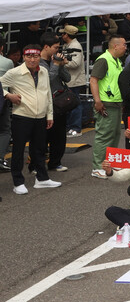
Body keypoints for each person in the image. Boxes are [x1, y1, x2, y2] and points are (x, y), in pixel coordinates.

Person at [1, 44, 59, 194]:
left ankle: (42, 178)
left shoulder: (44, 71)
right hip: (22, 116)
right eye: (28, 56)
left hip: (40, 116)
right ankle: (18, 182)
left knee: (39, 149)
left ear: (40, 57)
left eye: (35, 56)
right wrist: (8, 95)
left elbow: (48, 94)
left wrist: (49, 114)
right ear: (23, 57)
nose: (32, 59)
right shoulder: (15, 72)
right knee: (19, 150)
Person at [90, 34, 127, 179]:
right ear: (115, 46)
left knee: (114, 134)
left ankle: (110, 162)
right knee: (104, 135)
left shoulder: (116, 60)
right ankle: (98, 167)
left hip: (116, 102)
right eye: (123, 44)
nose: (125, 47)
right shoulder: (104, 60)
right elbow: (93, 80)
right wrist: (97, 101)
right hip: (105, 103)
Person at [40, 32, 72, 172]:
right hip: (44, 104)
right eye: (55, 47)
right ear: (46, 47)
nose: (57, 50)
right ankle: (37, 164)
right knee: (42, 136)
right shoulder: (38, 62)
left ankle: (55, 162)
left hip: (59, 103)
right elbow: (47, 80)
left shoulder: (55, 60)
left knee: (59, 135)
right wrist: (55, 64)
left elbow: (68, 78)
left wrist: (61, 65)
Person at [59, 25, 87, 136]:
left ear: (67, 35)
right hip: (70, 80)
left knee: (74, 104)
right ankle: (71, 126)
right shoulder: (68, 45)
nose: (62, 35)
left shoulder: (76, 46)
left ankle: (76, 128)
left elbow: (76, 63)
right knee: (70, 104)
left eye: (63, 33)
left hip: (74, 80)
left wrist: (63, 63)